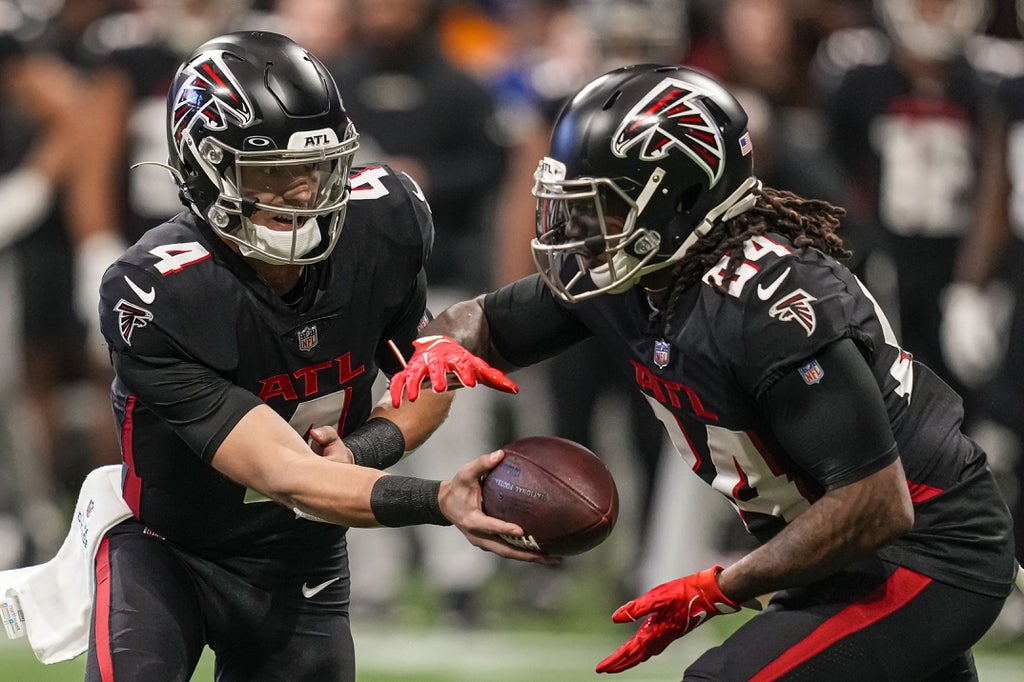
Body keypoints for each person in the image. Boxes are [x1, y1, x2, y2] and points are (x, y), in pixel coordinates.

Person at [388, 63, 1019, 679]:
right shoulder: (634, 272)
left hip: (921, 550)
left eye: (602, 208)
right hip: (842, 553)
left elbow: (875, 505)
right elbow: (487, 323)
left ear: (680, 199)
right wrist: (436, 347)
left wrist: (717, 587)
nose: (579, 232)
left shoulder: (768, 303)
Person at [82, 31, 547, 681]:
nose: (306, 193)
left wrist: (365, 450)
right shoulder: (160, 288)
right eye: (273, 172)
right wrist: (437, 498)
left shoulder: (382, 223)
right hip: (168, 551)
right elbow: (285, 474)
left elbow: (428, 375)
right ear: (203, 166)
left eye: (319, 167)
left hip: (301, 559)